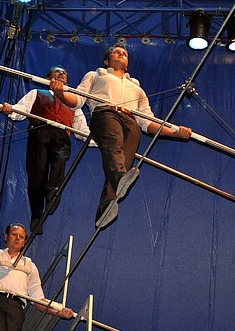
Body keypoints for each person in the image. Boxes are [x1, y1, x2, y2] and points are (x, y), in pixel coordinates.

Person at [50, 44, 192, 226]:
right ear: (106, 61)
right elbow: (78, 99)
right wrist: (61, 94)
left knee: (124, 160)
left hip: (131, 121)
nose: (121, 54)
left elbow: (147, 121)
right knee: (114, 145)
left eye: (124, 53)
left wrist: (174, 132)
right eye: (116, 52)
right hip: (105, 113)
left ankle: (106, 206)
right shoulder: (96, 75)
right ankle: (119, 177)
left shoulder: (137, 88)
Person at [1, 66, 91, 235]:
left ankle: (53, 191)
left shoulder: (73, 103)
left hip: (62, 134)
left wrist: (99, 141)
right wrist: (10, 109)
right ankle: (37, 214)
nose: (62, 73)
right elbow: (22, 109)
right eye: (57, 71)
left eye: (64, 73)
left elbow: (83, 130)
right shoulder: (37, 93)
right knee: (37, 173)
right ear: (48, 78)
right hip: (40, 131)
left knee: (61, 159)